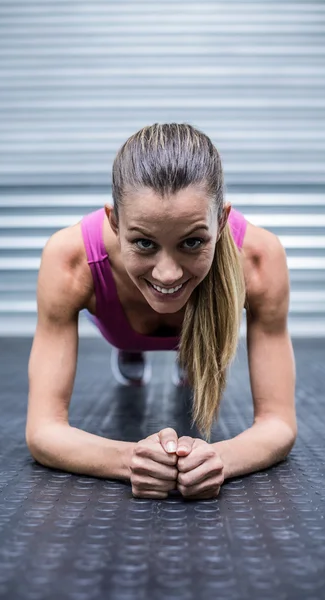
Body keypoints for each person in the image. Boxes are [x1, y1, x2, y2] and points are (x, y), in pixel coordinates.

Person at [26, 123, 297, 500]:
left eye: (192, 242)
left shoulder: (257, 259)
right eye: (143, 243)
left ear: (221, 221)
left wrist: (218, 458)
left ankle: (189, 351)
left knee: (186, 317)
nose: (166, 272)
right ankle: (132, 346)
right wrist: (130, 459)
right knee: (160, 299)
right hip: (120, 326)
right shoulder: (71, 260)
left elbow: (279, 423)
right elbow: (42, 431)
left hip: (199, 315)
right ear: (114, 222)